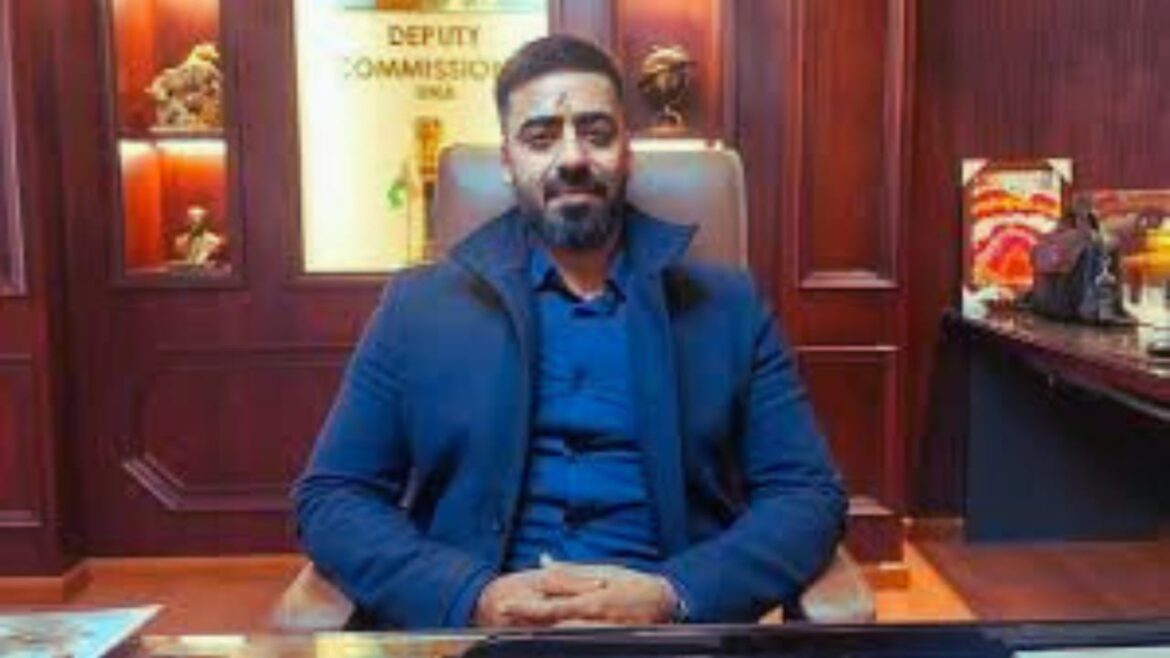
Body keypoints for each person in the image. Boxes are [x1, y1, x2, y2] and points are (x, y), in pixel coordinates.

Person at [293, 34, 846, 630]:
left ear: (626, 152)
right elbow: (333, 496)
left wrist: (673, 594)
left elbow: (807, 494)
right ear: (508, 162)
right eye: (540, 138)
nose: (573, 157)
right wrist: (470, 596)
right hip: (479, 636)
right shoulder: (418, 308)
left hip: (668, 638)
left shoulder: (727, 306)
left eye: (596, 132)